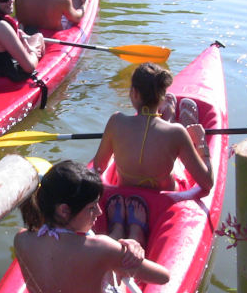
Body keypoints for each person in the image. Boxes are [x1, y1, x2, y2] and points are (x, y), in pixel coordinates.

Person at [15, 160, 169, 293]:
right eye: (91, 207)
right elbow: (163, 277)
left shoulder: (21, 240)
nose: (99, 212)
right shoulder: (101, 248)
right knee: (116, 276)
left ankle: (117, 229)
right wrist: (131, 252)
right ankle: (134, 232)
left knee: (108, 259)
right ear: (64, 211)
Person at [92, 62, 214, 194]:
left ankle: (168, 117)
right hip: (165, 198)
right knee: (177, 158)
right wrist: (201, 143)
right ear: (162, 96)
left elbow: (99, 166)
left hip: (126, 195)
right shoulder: (178, 133)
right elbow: (207, 183)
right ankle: (169, 119)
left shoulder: (116, 122)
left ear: (134, 93)